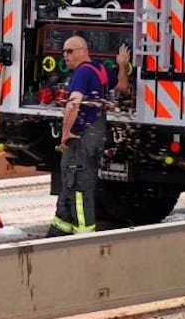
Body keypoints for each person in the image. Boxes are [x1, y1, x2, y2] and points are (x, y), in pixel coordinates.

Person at [46, 36, 130, 237]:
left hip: (80, 137)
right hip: (96, 133)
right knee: (71, 183)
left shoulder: (81, 73)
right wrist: (122, 65)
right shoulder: (99, 69)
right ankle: (58, 231)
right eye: (63, 51)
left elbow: (73, 104)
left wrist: (65, 133)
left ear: (83, 51)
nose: (65, 56)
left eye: (70, 51)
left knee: (78, 186)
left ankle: (84, 236)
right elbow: (122, 86)